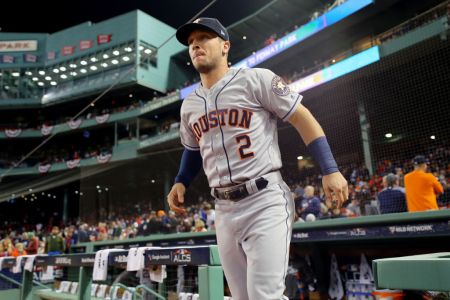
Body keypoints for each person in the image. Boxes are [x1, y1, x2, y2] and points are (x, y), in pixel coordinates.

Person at [167, 17, 348, 300]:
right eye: (191, 42)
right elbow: (192, 149)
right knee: (242, 297)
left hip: (264, 199)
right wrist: (181, 181)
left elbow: (303, 118)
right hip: (223, 209)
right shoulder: (189, 105)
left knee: (264, 295)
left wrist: (330, 169)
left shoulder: (256, 79)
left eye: (204, 37)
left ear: (225, 45)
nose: (196, 45)